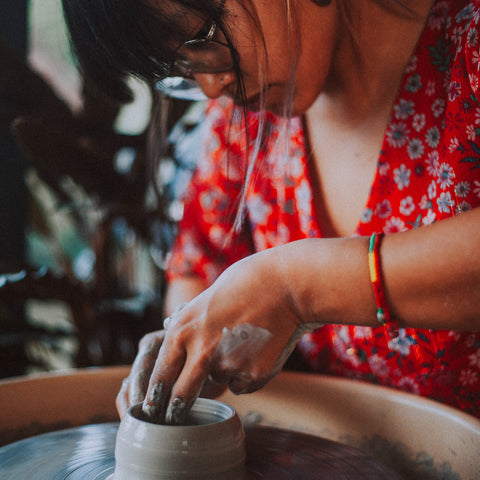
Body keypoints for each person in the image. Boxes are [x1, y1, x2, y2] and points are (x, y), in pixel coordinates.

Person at [62, 0, 480, 424]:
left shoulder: (470, 47)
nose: (211, 86)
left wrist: (297, 289)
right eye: (184, 66)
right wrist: (191, 343)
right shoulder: (246, 117)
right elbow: (200, 262)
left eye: (200, 38)